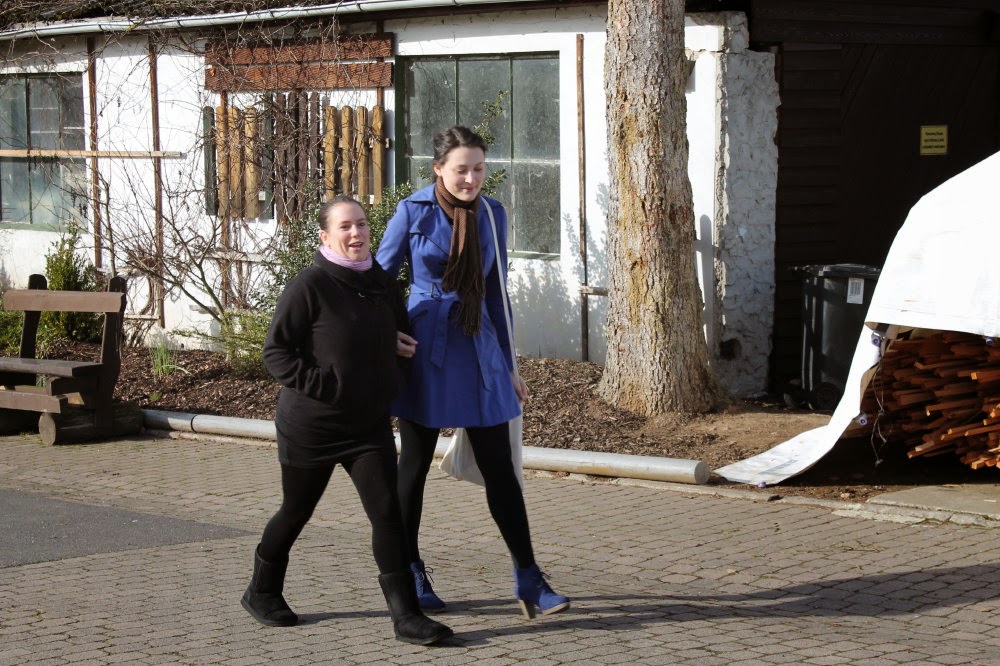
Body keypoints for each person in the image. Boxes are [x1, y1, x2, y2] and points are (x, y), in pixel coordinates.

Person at [375, 126, 570, 619]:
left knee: (500, 469)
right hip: (424, 345)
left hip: (478, 343)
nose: (471, 178)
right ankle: (410, 571)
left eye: (479, 168)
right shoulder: (412, 211)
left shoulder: (492, 213)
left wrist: (509, 365)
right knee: (413, 466)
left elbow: (498, 294)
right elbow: (378, 282)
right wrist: (386, 334)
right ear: (438, 169)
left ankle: (529, 577)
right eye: (461, 169)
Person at [241, 195, 453, 646]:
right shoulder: (310, 285)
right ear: (325, 236)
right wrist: (327, 386)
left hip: (367, 425)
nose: (356, 233)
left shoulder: (381, 283)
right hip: (311, 426)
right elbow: (276, 353)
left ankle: (407, 616)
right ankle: (262, 590)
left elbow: (401, 340)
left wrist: (391, 378)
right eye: (345, 226)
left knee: (387, 514)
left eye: (362, 224)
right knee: (296, 511)